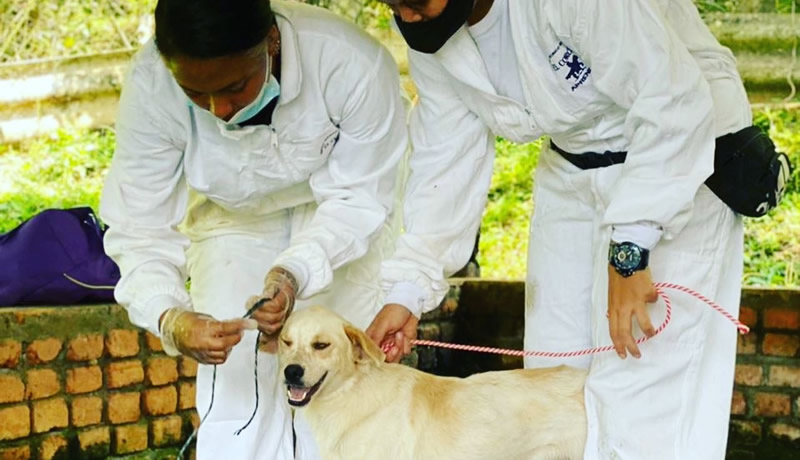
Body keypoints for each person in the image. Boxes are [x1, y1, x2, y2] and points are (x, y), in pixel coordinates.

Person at [369, 0, 788, 458]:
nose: (407, 18)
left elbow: (673, 100)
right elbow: (445, 162)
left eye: (416, 2)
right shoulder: (432, 38)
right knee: (553, 386)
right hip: (571, 166)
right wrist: (407, 289)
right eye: (394, 4)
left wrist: (631, 248)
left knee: (641, 387)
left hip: (676, 159)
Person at [100, 0, 408, 458]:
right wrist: (169, 317)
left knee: (342, 390)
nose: (219, 109)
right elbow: (138, 224)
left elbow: (360, 199)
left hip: (342, 223)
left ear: (272, 42)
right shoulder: (152, 85)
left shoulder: (350, 63)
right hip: (233, 224)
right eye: (195, 94)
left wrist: (292, 273)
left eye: (236, 87)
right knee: (237, 394)